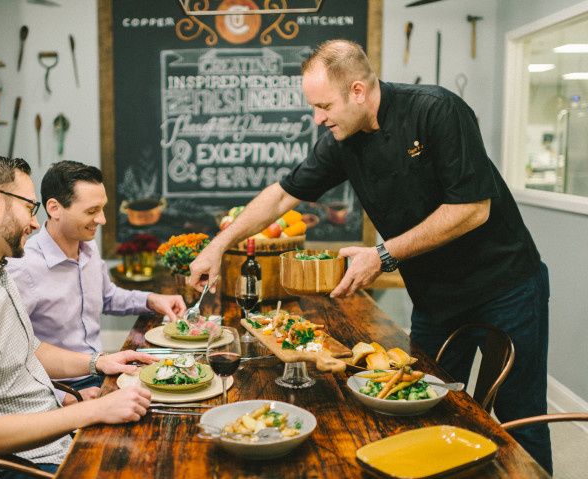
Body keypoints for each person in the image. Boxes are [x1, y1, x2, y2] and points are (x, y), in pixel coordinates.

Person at [189, 40, 551, 473]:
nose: (318, 118)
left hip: (504, 286)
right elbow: (282, 195)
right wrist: (217, 244)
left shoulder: (437, 110)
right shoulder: (342, 139)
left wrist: (382, 254)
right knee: (418, 402)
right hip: (435, 296)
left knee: (517, 417)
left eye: (324, 105)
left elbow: (472, 209)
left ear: (358, 91)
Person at [0, 156, 156, 479]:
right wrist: (94, 410)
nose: (35, 224)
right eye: (29, 208)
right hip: (8, 469)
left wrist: (98, 362)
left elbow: (29, 349)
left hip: (47, 446)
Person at [7, 160, 185, 400]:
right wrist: (64, 399)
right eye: (92, 211)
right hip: (60, 389)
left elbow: (108, 297)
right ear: (54, 208)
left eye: (102, 209)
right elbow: (14, 354)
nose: (101, 220)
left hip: (102, 372)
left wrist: (153, 300)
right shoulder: (22, 267)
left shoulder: (88, 248)